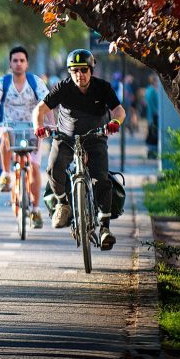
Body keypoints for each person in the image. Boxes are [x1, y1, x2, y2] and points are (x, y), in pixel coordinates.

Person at [32, 49, 125, 250]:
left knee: (101, 179)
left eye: (83, 70)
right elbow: (39, 110)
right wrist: (38, 127)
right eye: (74, 70)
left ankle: (105, 228)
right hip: (65, 139)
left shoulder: (103, 88)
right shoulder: (63, 87)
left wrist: (115, 122)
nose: (79, 75)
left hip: (95, 138)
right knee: (54, 168)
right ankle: (63, 204)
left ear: (91, 70)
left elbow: (119, 110)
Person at [0, 46, 50, 228]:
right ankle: (6, 174)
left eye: (22, 60)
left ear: (27, 63)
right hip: (9, 126)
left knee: (35, 168)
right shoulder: (2, 82)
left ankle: (36, 210)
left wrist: (50, 124)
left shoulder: (35, 82)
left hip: (33, 129)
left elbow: (47, 104)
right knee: (5, 133)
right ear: (10, 63)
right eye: (15, 60)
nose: (18, 63)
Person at [144, 74, 159, 159]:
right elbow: (152, 104)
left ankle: (151, 152)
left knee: (151, 134)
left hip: (150, 115)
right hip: (153, 116)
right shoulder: (152, 91)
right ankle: (152, 153)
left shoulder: (148, 89)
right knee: (152, 135)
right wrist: (156, 112)